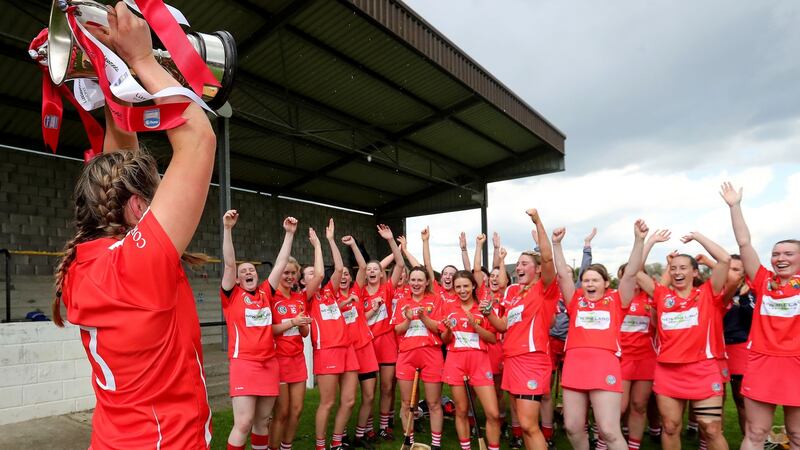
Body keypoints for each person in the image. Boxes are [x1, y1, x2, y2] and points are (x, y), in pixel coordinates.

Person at [52, 4, 216, 448]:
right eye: (161, 189)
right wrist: (143, 61)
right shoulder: (134, 266)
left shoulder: (81, 267)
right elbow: (199, 140)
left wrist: (112, 77)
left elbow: (121, 159)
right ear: (138, 207)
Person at [552, 221, 648, 450]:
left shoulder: (617, 300)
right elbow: (563, 277)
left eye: (595, 280)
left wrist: (639, 240)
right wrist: (556, 244)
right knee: (573, 427)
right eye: (586, 280)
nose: (590, 283)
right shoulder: (576, 301)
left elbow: (632, 272)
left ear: (606, 283)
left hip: (604, 366)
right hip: (575, 366)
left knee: (608, 430)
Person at [720, 182, 800, 449]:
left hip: (796, 363)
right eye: (776, 254)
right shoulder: (763, 280)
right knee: (755, 433)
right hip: (762, 361)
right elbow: (744, 243)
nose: (780, 258)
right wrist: (735, 207)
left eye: (788, 253)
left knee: (797, 435)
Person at [636, 230, 731, 450]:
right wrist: (648, 241)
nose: (677, 272)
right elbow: (635, 272)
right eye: (673, 268)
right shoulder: (662, 295)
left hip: (702, 370)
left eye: (683, 268)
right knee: (670, 426)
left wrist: (699, 236)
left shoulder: (708, 293)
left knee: (711, 429)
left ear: (695, 273)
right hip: (668, 372)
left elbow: (724, 259)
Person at [484, 209, 558, 450]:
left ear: (537, 269)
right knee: (525, 426)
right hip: (512, 361)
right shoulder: (515, 295)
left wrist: (538, 221)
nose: (519, 267)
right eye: (519, 264)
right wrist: (488, 314)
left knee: (529, 425)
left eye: (524, 263)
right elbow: (503, 326)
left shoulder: (544, 290)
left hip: (532, 360)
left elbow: (548, 259)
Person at [219, 210, 282, 450]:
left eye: (251, 270)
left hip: (269, 364)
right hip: (244, 364)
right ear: (236, 278)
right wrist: (227, 229)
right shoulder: (231, 295)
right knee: (243, 423)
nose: (248, 272)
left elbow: (281, 263)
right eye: (243, 271)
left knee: (261, 423)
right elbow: (227, 264)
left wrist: (288, 234)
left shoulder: (266, 292)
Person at [438, 270, 501, 450]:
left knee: (493, 413)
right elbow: (445, 339)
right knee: (462, 410)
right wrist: (448, 331)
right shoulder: (449, 307)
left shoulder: (482, 308)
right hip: (456, 361)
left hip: (479, 362)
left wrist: (476, 327)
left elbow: (492, 338)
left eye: (465, 286)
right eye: (458, 287)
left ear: (473, 285)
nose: (462, 290)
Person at [617, 232, 666, 450]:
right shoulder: (617, 298)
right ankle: (605, 439)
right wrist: (648, 242)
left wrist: (650, 243)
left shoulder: (652, 298)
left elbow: (639, 268)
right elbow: (634, 268)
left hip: (646, 358)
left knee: (639, 405)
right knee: (619, 407)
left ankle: (633, 445)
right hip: (622, 358)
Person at [268, 217, 313, 450]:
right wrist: (292, 322)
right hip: (279, 361)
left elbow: (303, 334)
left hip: (297, 359)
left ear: (297, 275)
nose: (288, 276)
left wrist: (303, 324)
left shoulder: (298, 299)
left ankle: (286, 447)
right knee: (282, 412)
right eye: (285, 272)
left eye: (292, 273)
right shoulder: (271, 297)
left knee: (296, 411)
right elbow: (269, 331)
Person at [392, 264, 445, 450]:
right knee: (407, 403)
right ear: (408, 281)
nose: (416, 283)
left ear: (427, 282)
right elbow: (397, 330)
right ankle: (410, 442)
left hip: (431, 353)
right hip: (407, 354)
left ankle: (436, 444)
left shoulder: (436, 300)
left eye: (419, 280)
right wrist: (408, 318)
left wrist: (423, 317)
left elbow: (440, 329)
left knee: (433, 402)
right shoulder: (402, 301)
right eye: (413, 280)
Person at [362, 227, 406, 441]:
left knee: (387, 387)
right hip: (367, 344)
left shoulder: (388, 288)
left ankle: (383, 426)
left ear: (381, 273)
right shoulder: (359, 291)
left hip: (387, 341)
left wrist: (390, 241)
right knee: (370, 390)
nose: (371, 271)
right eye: (368, 269)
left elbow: (399, 264)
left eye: (375, 269)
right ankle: (368, 428)